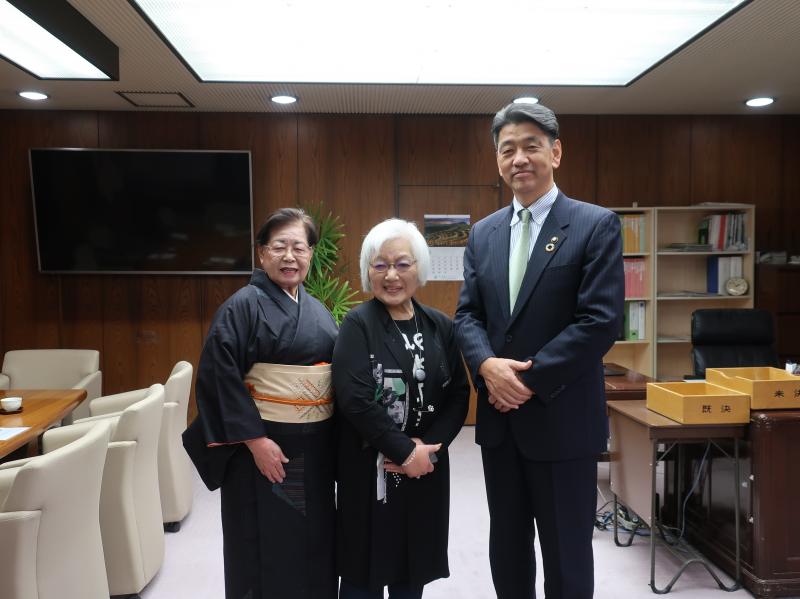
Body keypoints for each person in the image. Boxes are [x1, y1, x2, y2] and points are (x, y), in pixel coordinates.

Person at [454, 103, 625, 599]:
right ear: (497, 161)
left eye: (531, 146)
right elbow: (468, 316)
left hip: (561, 420)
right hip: (501, 426)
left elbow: (599, 322)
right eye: (508, 149)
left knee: (566, 552)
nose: (519, 158)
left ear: (556, 151)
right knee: (506, 550)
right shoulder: (483, 234)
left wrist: (524, 382)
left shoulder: (595, 225)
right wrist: (486, 366)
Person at [182, 208, 338, 599]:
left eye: (299, 247)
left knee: (313, 537)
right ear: (262, 254)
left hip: (312, 450)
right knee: (260, 544)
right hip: (261, 453)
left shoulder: (318, 311)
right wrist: (255, 441)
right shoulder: (241, 307)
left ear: (311, 254)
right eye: (279, 246)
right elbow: (219, 377)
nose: (290, 256)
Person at [333, 218, 470, 599]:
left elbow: (459, 394)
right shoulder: (356, 324)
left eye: (402, 264)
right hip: (370, 471)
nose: (391, 275)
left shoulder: (441, 326)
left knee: (411, 573)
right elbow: (355, 400)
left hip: (424, 469)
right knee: (364, 575)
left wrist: (427, 449)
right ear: (368, 272)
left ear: (419, 268)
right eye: (380, 265)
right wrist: (405, 451)